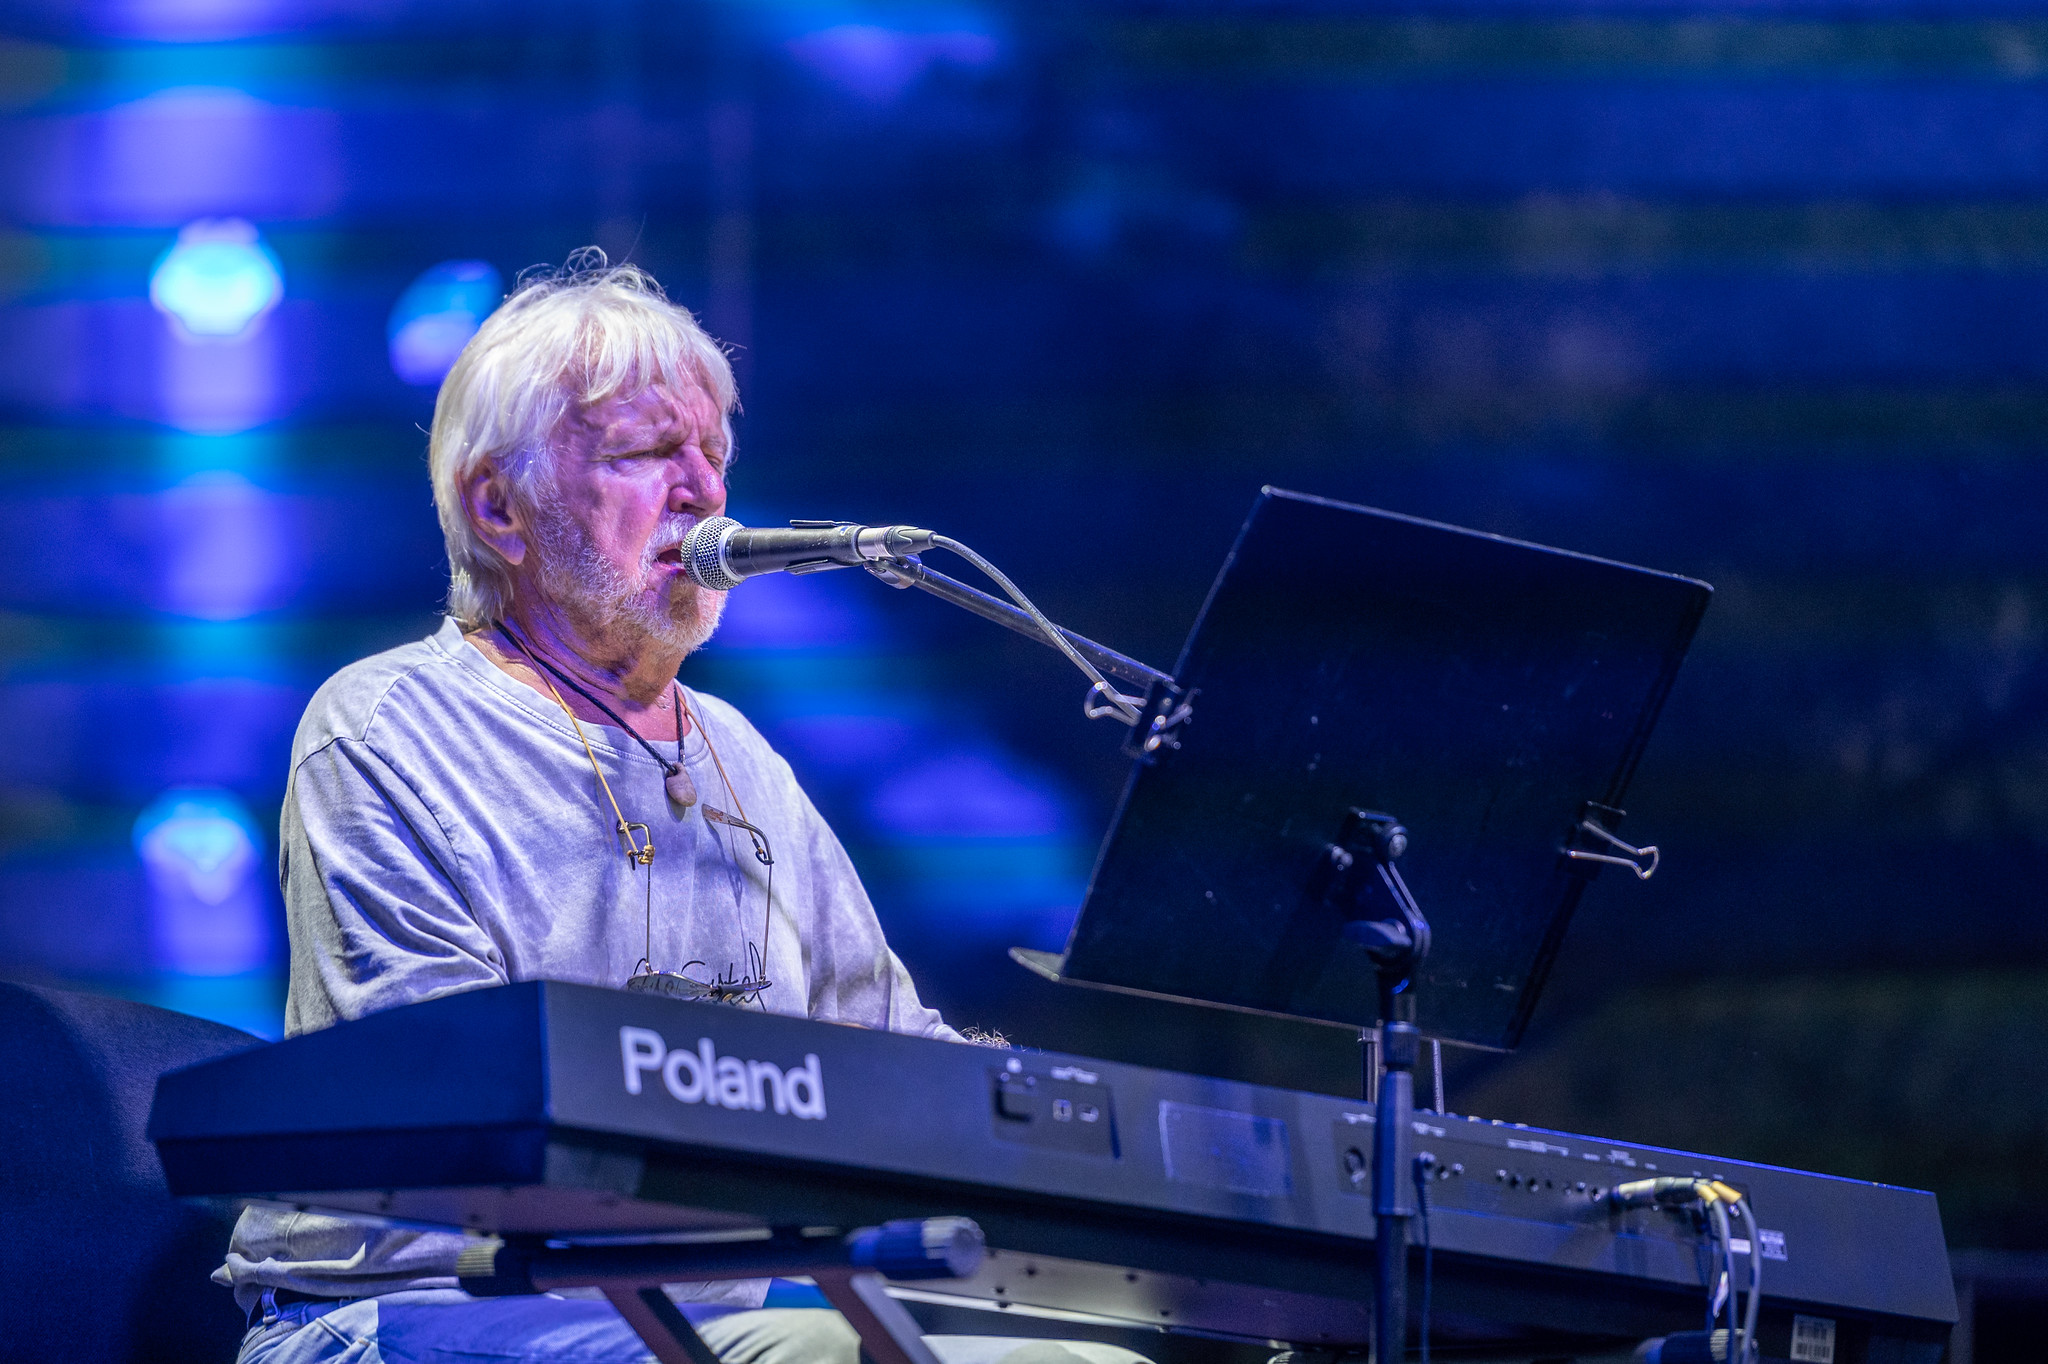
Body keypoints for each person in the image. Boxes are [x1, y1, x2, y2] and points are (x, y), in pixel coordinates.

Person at [217, 255, 1146, 1364]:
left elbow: (885, 1048)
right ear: (499, 508)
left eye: (714, 453)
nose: (703, 490)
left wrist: (1081, 1119)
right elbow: (453, 1106)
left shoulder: (742, 756)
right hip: (409, 1312)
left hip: (676, 1320)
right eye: (646, 453)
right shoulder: (383, 730)